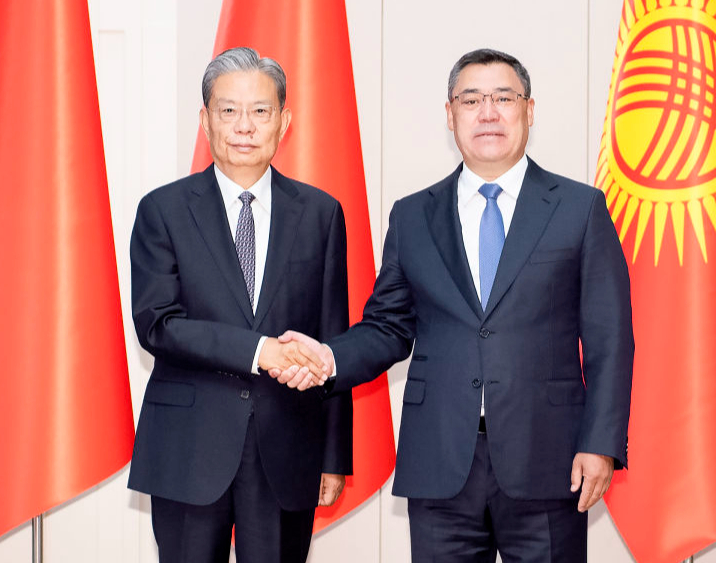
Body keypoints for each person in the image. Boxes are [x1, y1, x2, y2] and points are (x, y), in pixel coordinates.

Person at [275, 48, 633, 562]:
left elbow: (610, 339)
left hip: (548, 459)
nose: (488, 113)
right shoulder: (412, 216)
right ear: (450, 114)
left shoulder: (580, 209)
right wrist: (329, 358)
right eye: (471, 100)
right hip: (440, 462)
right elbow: (387, 327)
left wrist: (600, 443)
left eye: (503, 98)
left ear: (529, 110)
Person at [127, 46, 352, 563]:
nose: (244, 126)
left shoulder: (320, 214)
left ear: (284, 122)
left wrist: (334, 454)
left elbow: (333, 338)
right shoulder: (163, 210)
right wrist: (260, 351)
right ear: (205, 120)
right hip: (188, 448)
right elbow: (157, 324)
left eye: (260, 111)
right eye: (228, 110)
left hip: (288, 447)